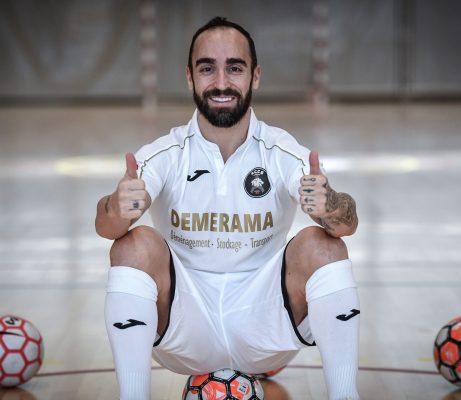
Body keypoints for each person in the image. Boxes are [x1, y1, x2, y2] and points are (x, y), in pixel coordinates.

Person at [95, 16, 360, 400]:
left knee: (324, 245)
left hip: (267, 322)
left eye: (234, 68)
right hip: (183, 326)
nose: (221, 83)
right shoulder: (165, 154)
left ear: (255, 76)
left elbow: (347, 223)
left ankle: (346, 395)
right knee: (133, 244)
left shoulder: (281, 151)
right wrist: (117, 209)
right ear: (190, 77)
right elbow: (106, 226)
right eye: (207, 69)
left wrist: (330, 203)